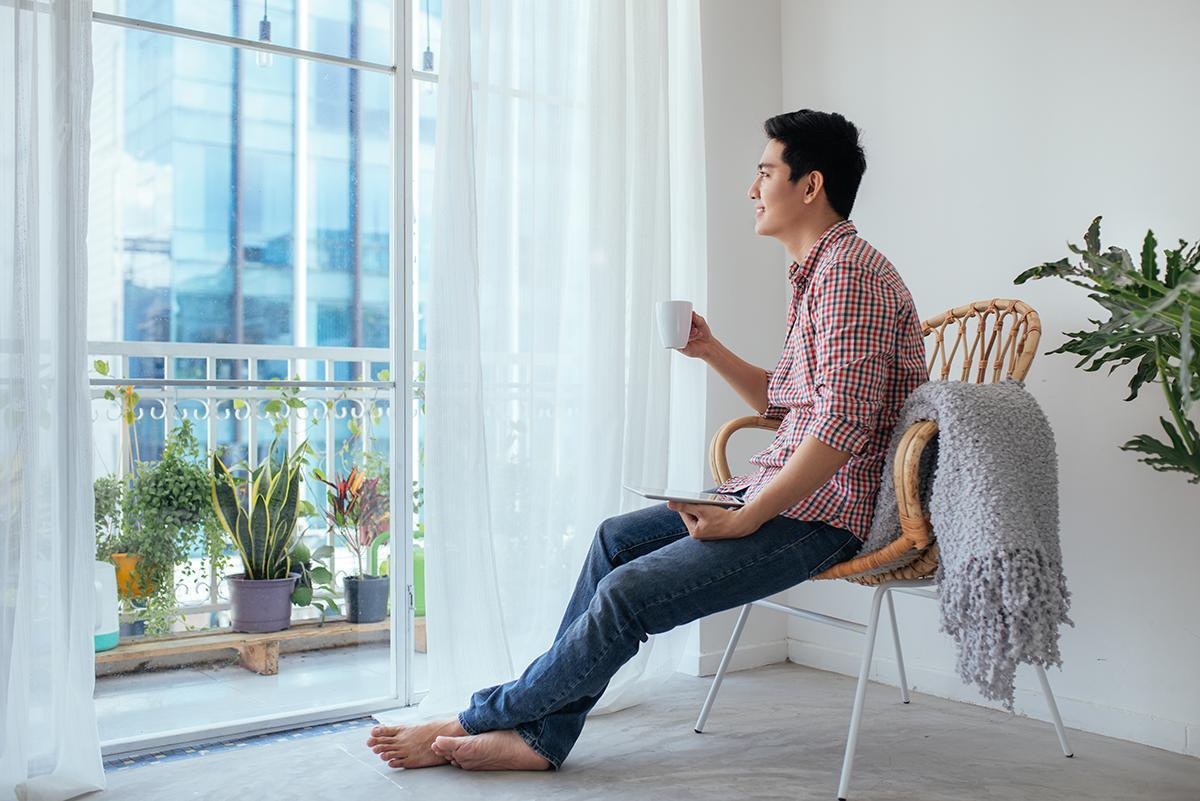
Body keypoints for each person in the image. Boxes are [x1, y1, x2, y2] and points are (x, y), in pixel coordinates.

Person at [366, 109, 928, 772]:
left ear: (810, 185)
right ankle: (539, 738)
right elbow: (789, 406)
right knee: (614, 540)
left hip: (822, 517)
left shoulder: (850, 276)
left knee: (628, 593)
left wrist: (747, 515)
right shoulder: (820, 273)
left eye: (765, 172)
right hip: (783, 493)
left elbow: (841, 428)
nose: (752, 189)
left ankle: (479, 717)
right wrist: (710, 350)